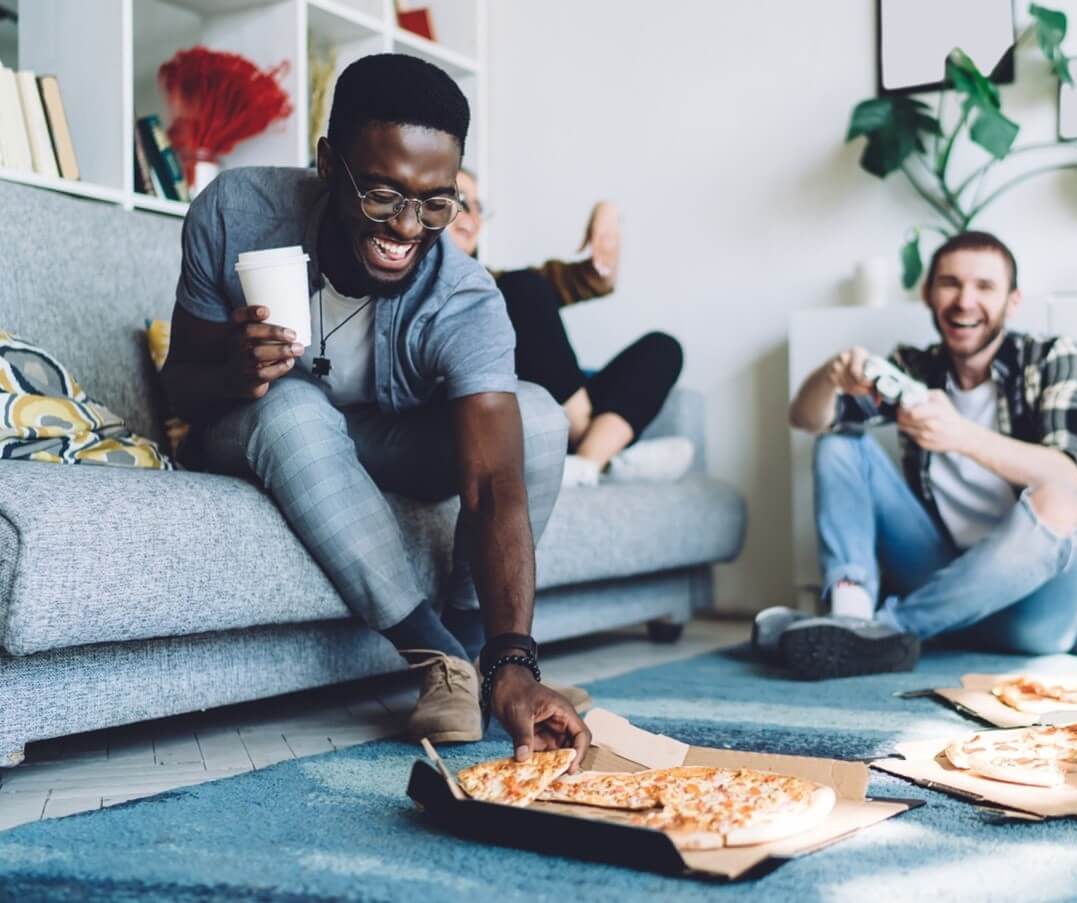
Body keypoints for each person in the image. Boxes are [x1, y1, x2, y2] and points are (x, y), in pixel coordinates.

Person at [160, 53, 589, 762]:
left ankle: (478, 657)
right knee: (293, 408)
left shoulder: (464, 297)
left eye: (435, 201)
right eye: (384, 195)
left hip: (384, 442)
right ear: (330, 163)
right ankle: (438, 656)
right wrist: (235, 372)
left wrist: (517, 659)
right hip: (267, 424)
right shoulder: (237, 213)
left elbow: (492, 486)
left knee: (537, 415)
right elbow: (181, 388)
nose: (408, 227)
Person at [755, 231, 1077, 679]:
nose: (964, 300)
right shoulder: (914, 368)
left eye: (984, 287)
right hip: (941, 579)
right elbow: (806, 419)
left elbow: (1071, 474)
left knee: (1059, 499)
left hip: (1035, 611)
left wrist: (961, 435)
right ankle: (850, 612)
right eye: (950, 284)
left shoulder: (1049, 356)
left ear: (1013, 302)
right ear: (928, 294)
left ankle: (876, 630)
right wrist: (831, 375)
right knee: (839, 441)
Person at [449, 169, 691, 487]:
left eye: (480, 206)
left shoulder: (494, 279)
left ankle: (586, 464)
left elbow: (596, 278)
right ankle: (603, 455)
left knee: (663, 348)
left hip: (561, 404)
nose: (472, 215)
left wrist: (607, 213)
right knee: (521, 287)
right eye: (460, 200)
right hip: (520, 416)